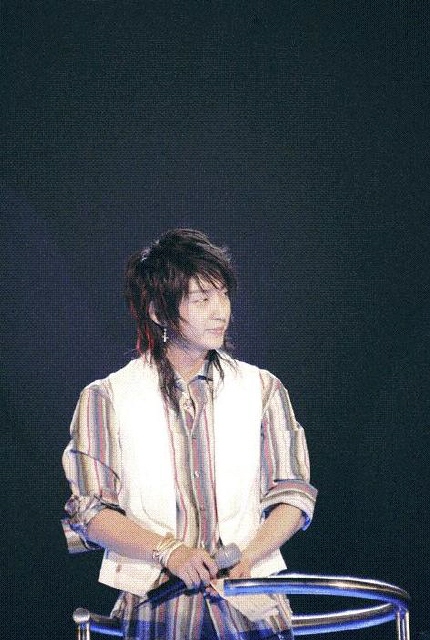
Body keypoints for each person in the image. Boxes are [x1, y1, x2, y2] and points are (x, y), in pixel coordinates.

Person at [62, 229, 317, 640]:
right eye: (201, 299)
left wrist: (248, 557)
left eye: (223, 296)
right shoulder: (106, 397)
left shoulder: (262, 388)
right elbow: (90, 512)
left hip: (250, 603)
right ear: (159, 312)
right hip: (157, 609)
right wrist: (171, 552)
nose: (220, 312)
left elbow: (294, 494)